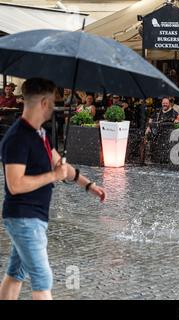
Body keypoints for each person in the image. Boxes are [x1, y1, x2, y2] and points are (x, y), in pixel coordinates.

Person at [0, 78, 107, 300]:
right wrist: (53, 176)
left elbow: (62, 167)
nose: (54, 106)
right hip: (24, 217)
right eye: (52, 101)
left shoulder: (40, 134)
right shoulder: (18, 138)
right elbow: (15, 184)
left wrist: (88, 185)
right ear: (43, 102)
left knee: (16, 273)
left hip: (33, 217)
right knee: (42, 278)